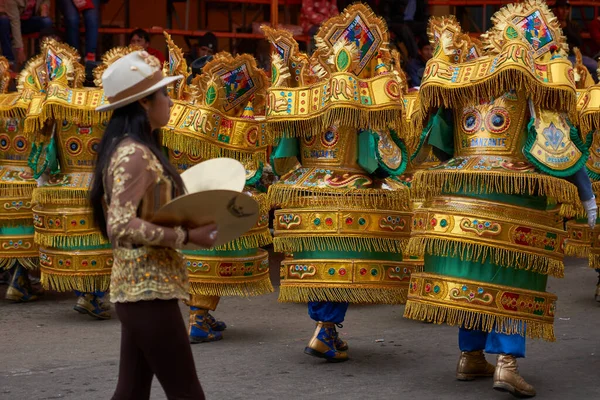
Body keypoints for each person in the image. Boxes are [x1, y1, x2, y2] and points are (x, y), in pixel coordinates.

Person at [405, 3, 595, 398]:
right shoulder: (530, 82)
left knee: (474, 272)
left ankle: (470, 356)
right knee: (511, 273)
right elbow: (554, 145)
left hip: (462, 190)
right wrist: (588, 197)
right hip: (514, 192)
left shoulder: (465, 81)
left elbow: (438, 143)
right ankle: (506, 364)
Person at [264, 5, 415, 363]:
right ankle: (325, 330)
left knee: (319, 255)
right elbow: (379, 158)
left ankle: (324, 327)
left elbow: (283, 153)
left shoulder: (307, 88)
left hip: (307, 185)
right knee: (341, 257)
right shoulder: (364, 94)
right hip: (348, 187)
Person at [90, 50, 215, 398]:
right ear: (144, 102)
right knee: (187, 393)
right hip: (147, 292)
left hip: (141, 288)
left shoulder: (133, 148)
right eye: (164, 93)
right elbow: (120, 225)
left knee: (131, 392)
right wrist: (186, 235)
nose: (170, 101)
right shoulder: (134, 154)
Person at [162, 35, 274, 343]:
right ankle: (198, 318)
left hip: (177, 198)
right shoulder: (227, 121)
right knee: (211, 260)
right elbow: (246, 169)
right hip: (210, 200)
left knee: (192, 258)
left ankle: (201, 315)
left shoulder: (178, 111)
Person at [0, 0, 52, 65]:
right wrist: (20, 49)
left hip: (28, 21)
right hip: (11, 23)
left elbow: (45, 1)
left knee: (46, 21)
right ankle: (9, 60)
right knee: (3, 21)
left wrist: (44, 7)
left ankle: (42, 57)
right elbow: (15, 23)